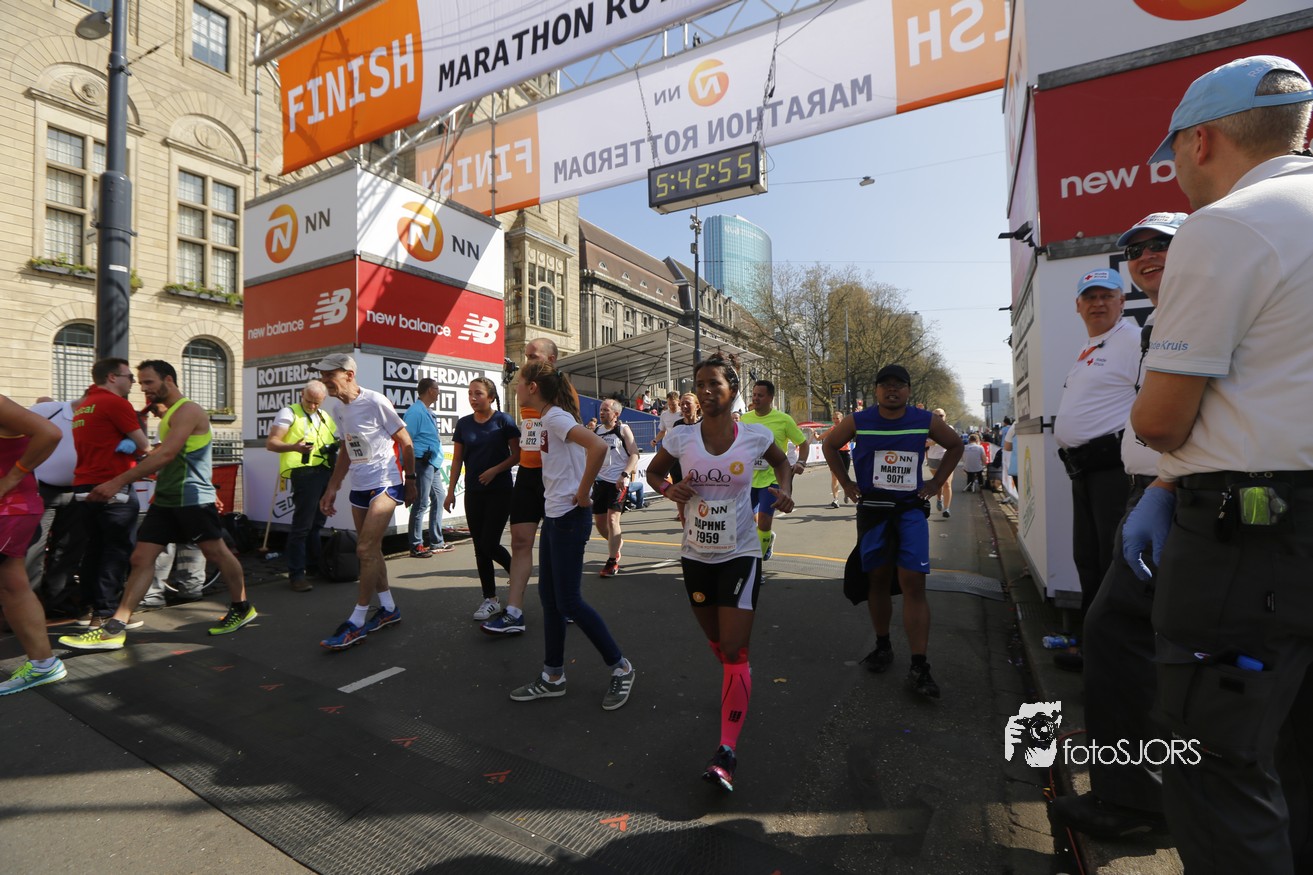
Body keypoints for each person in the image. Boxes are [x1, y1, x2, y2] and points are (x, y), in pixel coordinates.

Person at [1123, 56, 1313, 873]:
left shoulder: (1224, 225)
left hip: (1248, 542)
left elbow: (1160, 420)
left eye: (1171, 152)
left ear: (1200, 140)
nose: (1174, 170)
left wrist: (1164, 464)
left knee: (1215, 768)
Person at [1050, 211, 1186, 839]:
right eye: (1137, 251)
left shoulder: (1138, 333)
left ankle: (1138, 799)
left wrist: (1162, 481)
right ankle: (1137, 785)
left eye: (1107, 294)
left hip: (1145, 482)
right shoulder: (1102, 345)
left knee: (1123, 627)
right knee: (1104, 602)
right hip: (1124, 479)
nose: (1100, 302)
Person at [645, 355, 793, 791]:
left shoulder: (755, 436)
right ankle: (736, 682)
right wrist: (668, 488)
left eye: (714, 384)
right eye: (699, 384)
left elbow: (782, 463)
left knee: (734, 649)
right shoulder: (681, 436)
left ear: (733, 390)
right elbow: (654, 473)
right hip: (695, 556)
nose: (706, 391)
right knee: (717, 643)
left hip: (740, 554)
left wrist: (784, 489)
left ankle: (726, 751)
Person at [59, 360, 256, 651]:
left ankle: (241, 607)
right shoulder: (168, 415)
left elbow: (166, 456)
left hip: (191, 497)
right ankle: (115, 627)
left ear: (169, 380)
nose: (144, 389)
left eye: (149, 382)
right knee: (140, 558)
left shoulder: (189, 410)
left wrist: (116, 481)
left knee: (216, 552)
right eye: (140, 383)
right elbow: (162, 454)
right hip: (165, 499)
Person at [823, 364, 963, 699]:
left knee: (914, 581)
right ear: (876, 390)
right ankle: (883, 645)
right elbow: (829, 445)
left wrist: (936, 482)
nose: (892, 390)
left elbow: (955, 445)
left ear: (908, 390)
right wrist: (846, 483)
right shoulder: (858, 420)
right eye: (885, 385)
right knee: (879, 580)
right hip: (873, 511)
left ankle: (919, 664)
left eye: (899, 385)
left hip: (909, 510)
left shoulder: (924, 420)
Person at [507, 361, 635, 711]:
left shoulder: (555, 418)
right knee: (550, 600)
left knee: (569, 602)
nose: (516, 387)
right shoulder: (550, 417)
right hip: (556, 517)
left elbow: (598, 447)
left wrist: (582, 492)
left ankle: (621, 667)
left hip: (567, 517)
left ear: (533, 387)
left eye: (520, 381)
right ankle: (553, 677)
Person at [1054, 266, 1140, 663]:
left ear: (1122, 302)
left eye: (1107, 296)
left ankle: (1111, 656)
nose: (1098, 303)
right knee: (1088, 560)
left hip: (1113, 471)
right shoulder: (1092, 347)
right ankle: (1093, 646)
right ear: (1078, 306)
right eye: (1090, 297)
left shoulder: (1133, 341)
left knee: (1111, 563)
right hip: (1085, 471)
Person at [313, 353, 416, 651]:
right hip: (359, 487)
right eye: (322, 375)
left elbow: (405, 441)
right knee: (372, 551)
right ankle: (389, 608)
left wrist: (410, 481)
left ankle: (356, 621)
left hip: (385, 483)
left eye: (329, 375)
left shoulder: (375, 401)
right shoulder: (338, 409)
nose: (324, 380)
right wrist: (332, 488)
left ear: (348, 375)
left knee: (364, 549)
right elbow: (346, 450)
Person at [492, 338, 574, 634]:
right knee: (519, 542)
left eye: (532, 356)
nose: (526, 360)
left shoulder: (564, 391)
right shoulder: (526, 388)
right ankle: (513, 612)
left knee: (557, 547)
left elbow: (577, 437)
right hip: (527, 475)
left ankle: (568, 603)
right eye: (526, 355)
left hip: (553, 478)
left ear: (550, 359)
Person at [69, 358, 149, 627]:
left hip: (83, 484)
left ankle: (88, 609)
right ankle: (105, 614)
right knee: (116, 551)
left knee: (95, 548)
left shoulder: (85, 405)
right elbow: (144, 445)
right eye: (130, 377)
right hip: (113, 485)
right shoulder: (115, 403)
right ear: (113, 377)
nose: (133, 383)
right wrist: (138, 446)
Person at [0, 394, 67, 695]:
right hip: (11, 508)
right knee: (12, 586)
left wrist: (10, 479)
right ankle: (43, 663)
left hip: (10, 507)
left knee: (12, 586)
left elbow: (50, 433)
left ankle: (43, 663)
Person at [446, 377, 519, 630]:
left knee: (489, 543)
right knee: (480, 547)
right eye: (470, 393)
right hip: (474, 492)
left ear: (491, 396)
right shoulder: (464, 424)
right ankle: (490, 599)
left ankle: (516, 573)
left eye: (478, 393)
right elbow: (457, 459)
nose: (473, 398)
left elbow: (518, 455)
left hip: (500, 491)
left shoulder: (504, 421)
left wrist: (495, 470)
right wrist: (450, 491)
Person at [265, 379, 338, 590]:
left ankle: (314, 567)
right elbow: (271, 443)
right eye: (309, 401)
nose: (312, 406)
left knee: (316, 525)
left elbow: (334, 439)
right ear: (301, 395)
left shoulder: (324, 416)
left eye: (317, 402)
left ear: (323, 400)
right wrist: (294, 447)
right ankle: (297, 575)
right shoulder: (289, 413)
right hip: (304, 473)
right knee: (303, 526)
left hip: (324, 471)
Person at [23, 397, 82, 616]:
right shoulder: (48, 409)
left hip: (76, 491)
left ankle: (58, 600)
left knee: (69, 547)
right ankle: (26, 603)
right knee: (33, 548)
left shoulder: (98, 417)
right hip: (41, 490)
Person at [739, 380, 807, 560]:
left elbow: (803, 443)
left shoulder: (784, 420)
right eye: (754, 395)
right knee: (743, 522)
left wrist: (801, 462)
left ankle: (757, 562)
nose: (755, 398)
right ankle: (766, 540)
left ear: (770, 398)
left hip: (773, 479)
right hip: (749, 479)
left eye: (760, 395)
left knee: (764, 522)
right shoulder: (745, 419)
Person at [401, 378, 452, 558]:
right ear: (430, 390)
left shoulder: (427, 411)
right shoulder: (415, 412)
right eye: (437, 389)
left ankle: (437, 541)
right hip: (421, 463)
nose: (439, 392)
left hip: (432, 463)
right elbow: (406, 440)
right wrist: (407, 468)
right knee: (421, 503)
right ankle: (416, 545)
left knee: (439, 497)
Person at [592, 399, 639, 577]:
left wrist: (625, 474)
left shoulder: (623, 429)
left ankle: (612, 562)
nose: (602, 412)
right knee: (600, 524)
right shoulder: (596, 431)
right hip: (600, 481)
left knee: (613, 520)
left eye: (606, 410)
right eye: (601, 409)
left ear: (616, 414)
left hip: (618, 482)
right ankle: (617, 543)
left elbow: (634, 454)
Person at [924, 409, 953, 518]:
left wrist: (934, 441)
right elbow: (925, 444)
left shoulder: (949, 428)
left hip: (947, 458)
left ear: (945, 416)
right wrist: (934, 441)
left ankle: (946, 509)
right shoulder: (927, 429)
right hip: (933, 459)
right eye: (936, 415)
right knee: (938, 482)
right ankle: (939, 498)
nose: (939, 417)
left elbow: (951, 442)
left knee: (947, 483)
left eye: (941, 415)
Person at [828, 412, 853, 509]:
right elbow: (819, 438)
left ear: (842, 419)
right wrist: (814, 434)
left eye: (837, 418)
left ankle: (847, 492)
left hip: (845, 454)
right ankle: (836, 499)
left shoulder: (847, 429)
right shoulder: (831, 429)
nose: (835, 420)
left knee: (844, 477)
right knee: (834, 477)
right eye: (834, 418)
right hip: (835, 454)